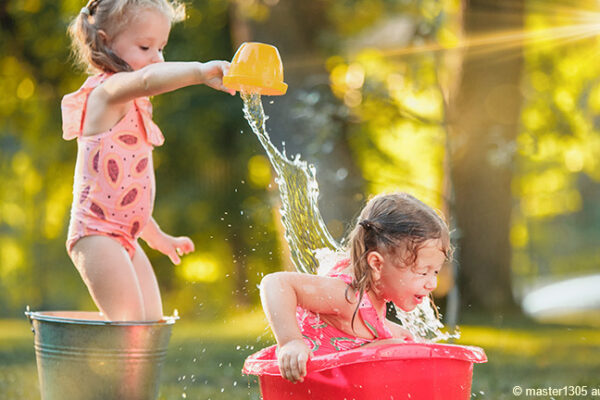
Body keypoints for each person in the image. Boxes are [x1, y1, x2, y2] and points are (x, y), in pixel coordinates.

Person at [62, 0, 235, 322]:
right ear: (105, 41)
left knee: (150, 324)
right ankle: (110, 371)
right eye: (145, 47)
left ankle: (135, 374)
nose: (157, 58)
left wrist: (155, 236)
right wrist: (199, 71)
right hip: (96, 234)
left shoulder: (135, 104)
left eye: (162, 48)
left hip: (126, 233)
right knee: (130, 327)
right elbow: (146, 79)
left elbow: (127, 190)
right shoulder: (106, 93)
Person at [260, 192, 451, 383]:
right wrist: (291, 342)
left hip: (338, 389)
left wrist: (387, 329)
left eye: (435, 272)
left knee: (396, 346)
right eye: (422, 272)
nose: (432, 283)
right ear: (377, 264)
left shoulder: (370, 296)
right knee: (393, 348)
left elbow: (355, 328)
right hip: (309, 389)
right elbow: (277, 284)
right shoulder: (346, 295)